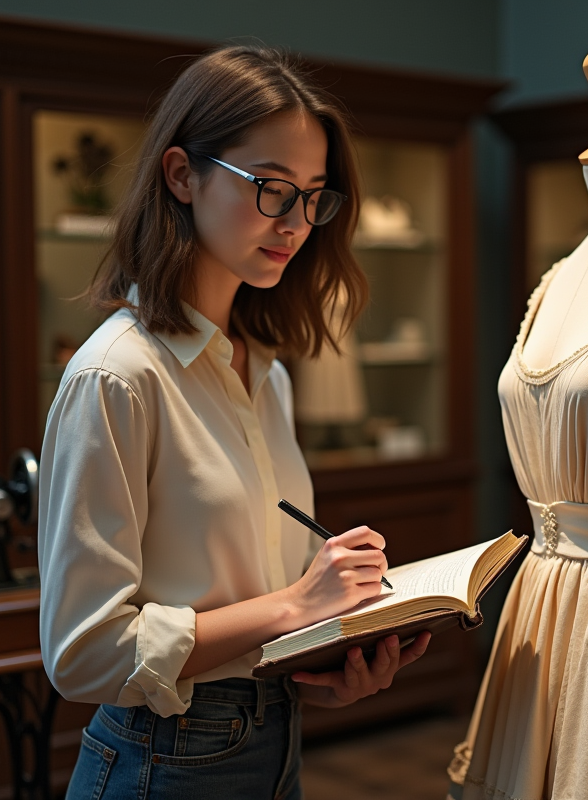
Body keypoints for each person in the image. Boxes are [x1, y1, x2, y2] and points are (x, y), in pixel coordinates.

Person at [38, 45, 429, 800]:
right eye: (273, 189)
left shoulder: (266, 373)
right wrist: (293, 604)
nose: (297, 223)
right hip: (163, 760)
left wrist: (326, 669)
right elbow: (83, 653)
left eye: (315, 196)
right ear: (182, 175)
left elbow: (247, 623)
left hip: (270, 738)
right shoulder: (117, 376)